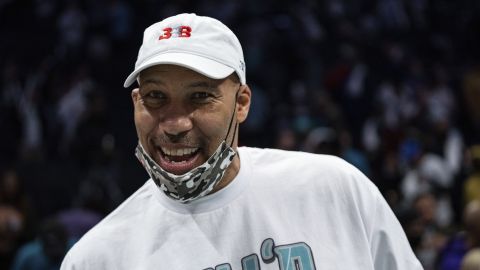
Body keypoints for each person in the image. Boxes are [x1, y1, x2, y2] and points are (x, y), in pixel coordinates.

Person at [61, 13, 422, 269]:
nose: (174, 124)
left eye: (200, 97)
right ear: (136, 103)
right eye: (156, 98)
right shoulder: (97, 258)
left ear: (242, 103)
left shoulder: (335, 190)